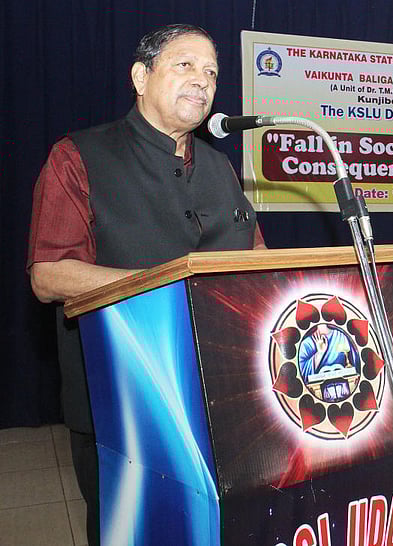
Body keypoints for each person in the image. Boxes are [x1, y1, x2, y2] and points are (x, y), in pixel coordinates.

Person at [26, 24, 265, 545]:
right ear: (140, 75)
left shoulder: (222, 169)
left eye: (211, 73)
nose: (202, 81)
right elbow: (49, 274)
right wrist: (172, 283)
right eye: (185, 65)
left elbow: (257, 257)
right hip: (124, 399)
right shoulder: (77, 158)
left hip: (223, 394)